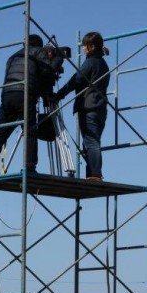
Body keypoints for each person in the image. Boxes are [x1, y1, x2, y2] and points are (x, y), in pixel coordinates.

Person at [0, 33, 55, 176]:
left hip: (7, 94)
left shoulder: (12, 56)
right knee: (30, 130)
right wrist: (54, 63)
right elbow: (47, 72)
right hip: (24, 93)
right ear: (39, 45)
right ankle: (29, 167)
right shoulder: (38, 52)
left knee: (1, 132)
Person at [54, 31, 110, 181]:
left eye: (85, 45)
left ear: (91, 46)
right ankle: (92, 173)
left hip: (89, 107)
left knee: (91, 142)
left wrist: (59, 95)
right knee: (92, 142)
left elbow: (76, 80)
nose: (83, 48)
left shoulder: (91, 62)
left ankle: (95, 174)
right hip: (100, 108)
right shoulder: (103, 64)